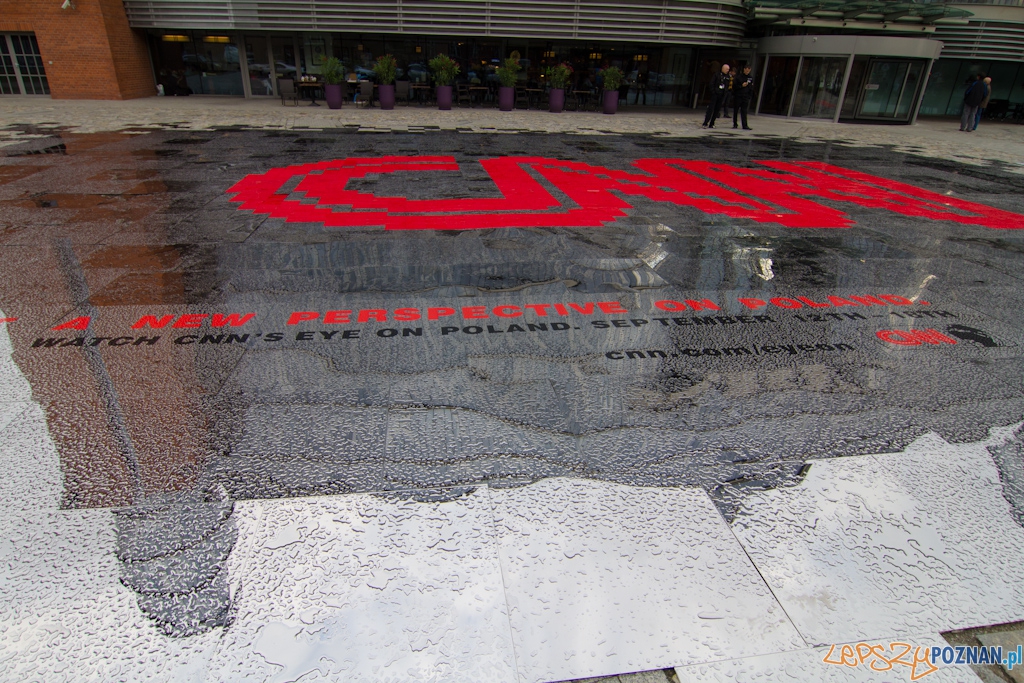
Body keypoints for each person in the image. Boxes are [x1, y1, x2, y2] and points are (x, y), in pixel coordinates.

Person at [702, 64, 731, 129]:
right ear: (723, 68)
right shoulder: (717, 75)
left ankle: (712, 123)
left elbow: (727, 86)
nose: (727, 70)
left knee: (717, 110)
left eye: (728, 69)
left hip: (721, 95)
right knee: (710, 109)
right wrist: (713, 91)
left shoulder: (727, 77)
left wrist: (725, 93)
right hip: (715, 94)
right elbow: (712, 83)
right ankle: (705, 122)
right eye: (727, 69)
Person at [732, 64, 755, 130]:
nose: (747, 70)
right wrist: (741, 85)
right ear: (744, 69)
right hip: (738, 96)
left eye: (749, 69)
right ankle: (735, 123)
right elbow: (734, 87)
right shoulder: (738, 77)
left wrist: (749, 96)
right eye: (746, 69)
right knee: (736, 110)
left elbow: (751, 88)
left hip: (746, 96)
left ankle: (745, 125)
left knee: (744, 111)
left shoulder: (750, 78)